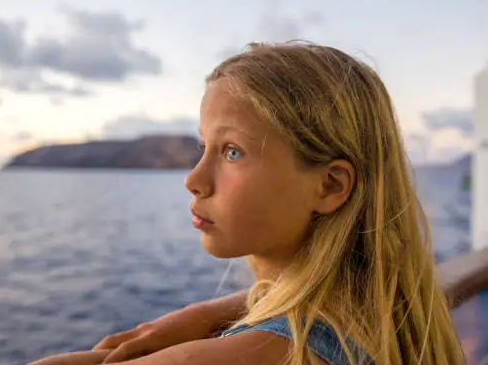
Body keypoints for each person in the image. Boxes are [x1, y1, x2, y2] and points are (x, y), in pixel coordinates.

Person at [31, 42, 464, 364]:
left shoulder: (264, 354)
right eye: (204, 147)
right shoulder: (388, 308)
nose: (193, 180)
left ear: (330, 186)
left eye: (232, 151)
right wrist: (214, 312)